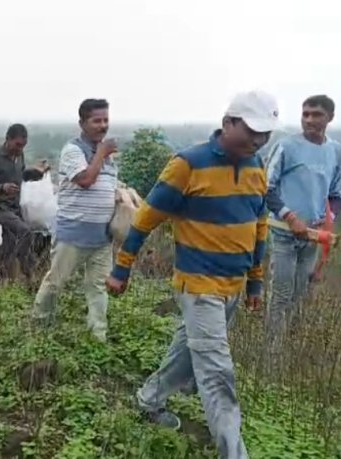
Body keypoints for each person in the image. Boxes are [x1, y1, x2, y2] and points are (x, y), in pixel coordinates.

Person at [107, 90, 279, 459]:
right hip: (199, 286)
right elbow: (146, 217)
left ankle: (148, 400)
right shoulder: (189, 163)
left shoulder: (257, 166)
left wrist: (255, 281)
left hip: (233, 285)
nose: (257, 140)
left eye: (264, 134)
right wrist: (122, 267)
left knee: (188, 352)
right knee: (218, 374)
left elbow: (259, 224)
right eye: (251, 131)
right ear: (228, 123)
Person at [31, 100, 118, 342]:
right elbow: (86, 180)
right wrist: (101, 153)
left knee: (98, 287)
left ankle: (97, 335)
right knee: (56, 282)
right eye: (97, 120)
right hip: (73, 235)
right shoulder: (73, 150)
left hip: (102, 237)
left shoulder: (108, 158)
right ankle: (39, 324)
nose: (103, 125)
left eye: (106, 120)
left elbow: (106, 186)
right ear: (82, 123)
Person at [264, 94, 341, 347]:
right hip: (283, 233)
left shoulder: (335, 150)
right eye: (305, 114)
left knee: (300, 294)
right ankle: (271, 358)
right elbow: (266, 187)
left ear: (329, 118)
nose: (309, 120)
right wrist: (289, 216)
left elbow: (337, 194)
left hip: (311, 236)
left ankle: (289, 349)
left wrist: (327, 218)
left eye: (316, 115)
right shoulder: (287, 146)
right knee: (281, 295)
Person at [0, 124, 47, 288]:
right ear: (8, 139)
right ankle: (29, 274)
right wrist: (2, 187)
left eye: (23, 146)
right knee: (24, 231)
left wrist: (38, 172)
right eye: (17, 145)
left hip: (14, 206)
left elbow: (21, 175)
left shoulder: (20, 156)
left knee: (7, 249)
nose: (20, 149)